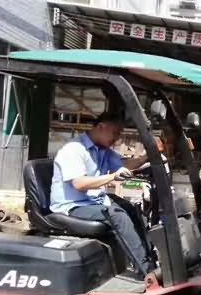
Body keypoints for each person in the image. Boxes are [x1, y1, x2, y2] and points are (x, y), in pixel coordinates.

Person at [49, 112, 154, 277]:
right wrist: (112, 177)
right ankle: (146, 272)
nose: (117, 139)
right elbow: (79, 184)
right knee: (118, 215)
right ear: (101, 127)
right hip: (73, 206)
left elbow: (126, 164)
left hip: (93, 201)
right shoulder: (74, 149)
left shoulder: (102, 150)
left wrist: (150, 154)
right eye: (115, 133)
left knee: (131, 209)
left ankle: (151, 259)